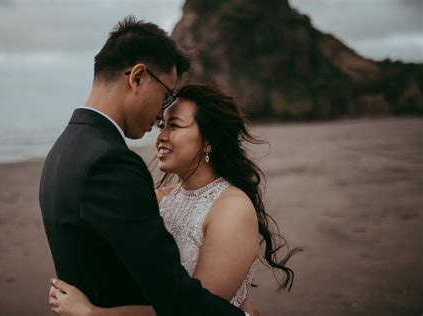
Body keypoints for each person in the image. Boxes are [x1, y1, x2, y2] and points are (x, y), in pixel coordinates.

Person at [39, 16, 255, 315]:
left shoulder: (64, 148)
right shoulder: (109, 163)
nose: (158, 121)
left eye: (173, 122)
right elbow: (173, 295)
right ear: (137, 77)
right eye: (165, 96)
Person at [47, 84, 301, 315]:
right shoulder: (157, 197)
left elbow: (192, 310)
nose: (161, 136)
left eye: (175, 125)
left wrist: (92, 314)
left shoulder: (231, 208)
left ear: (208, 141)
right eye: (162, 126)